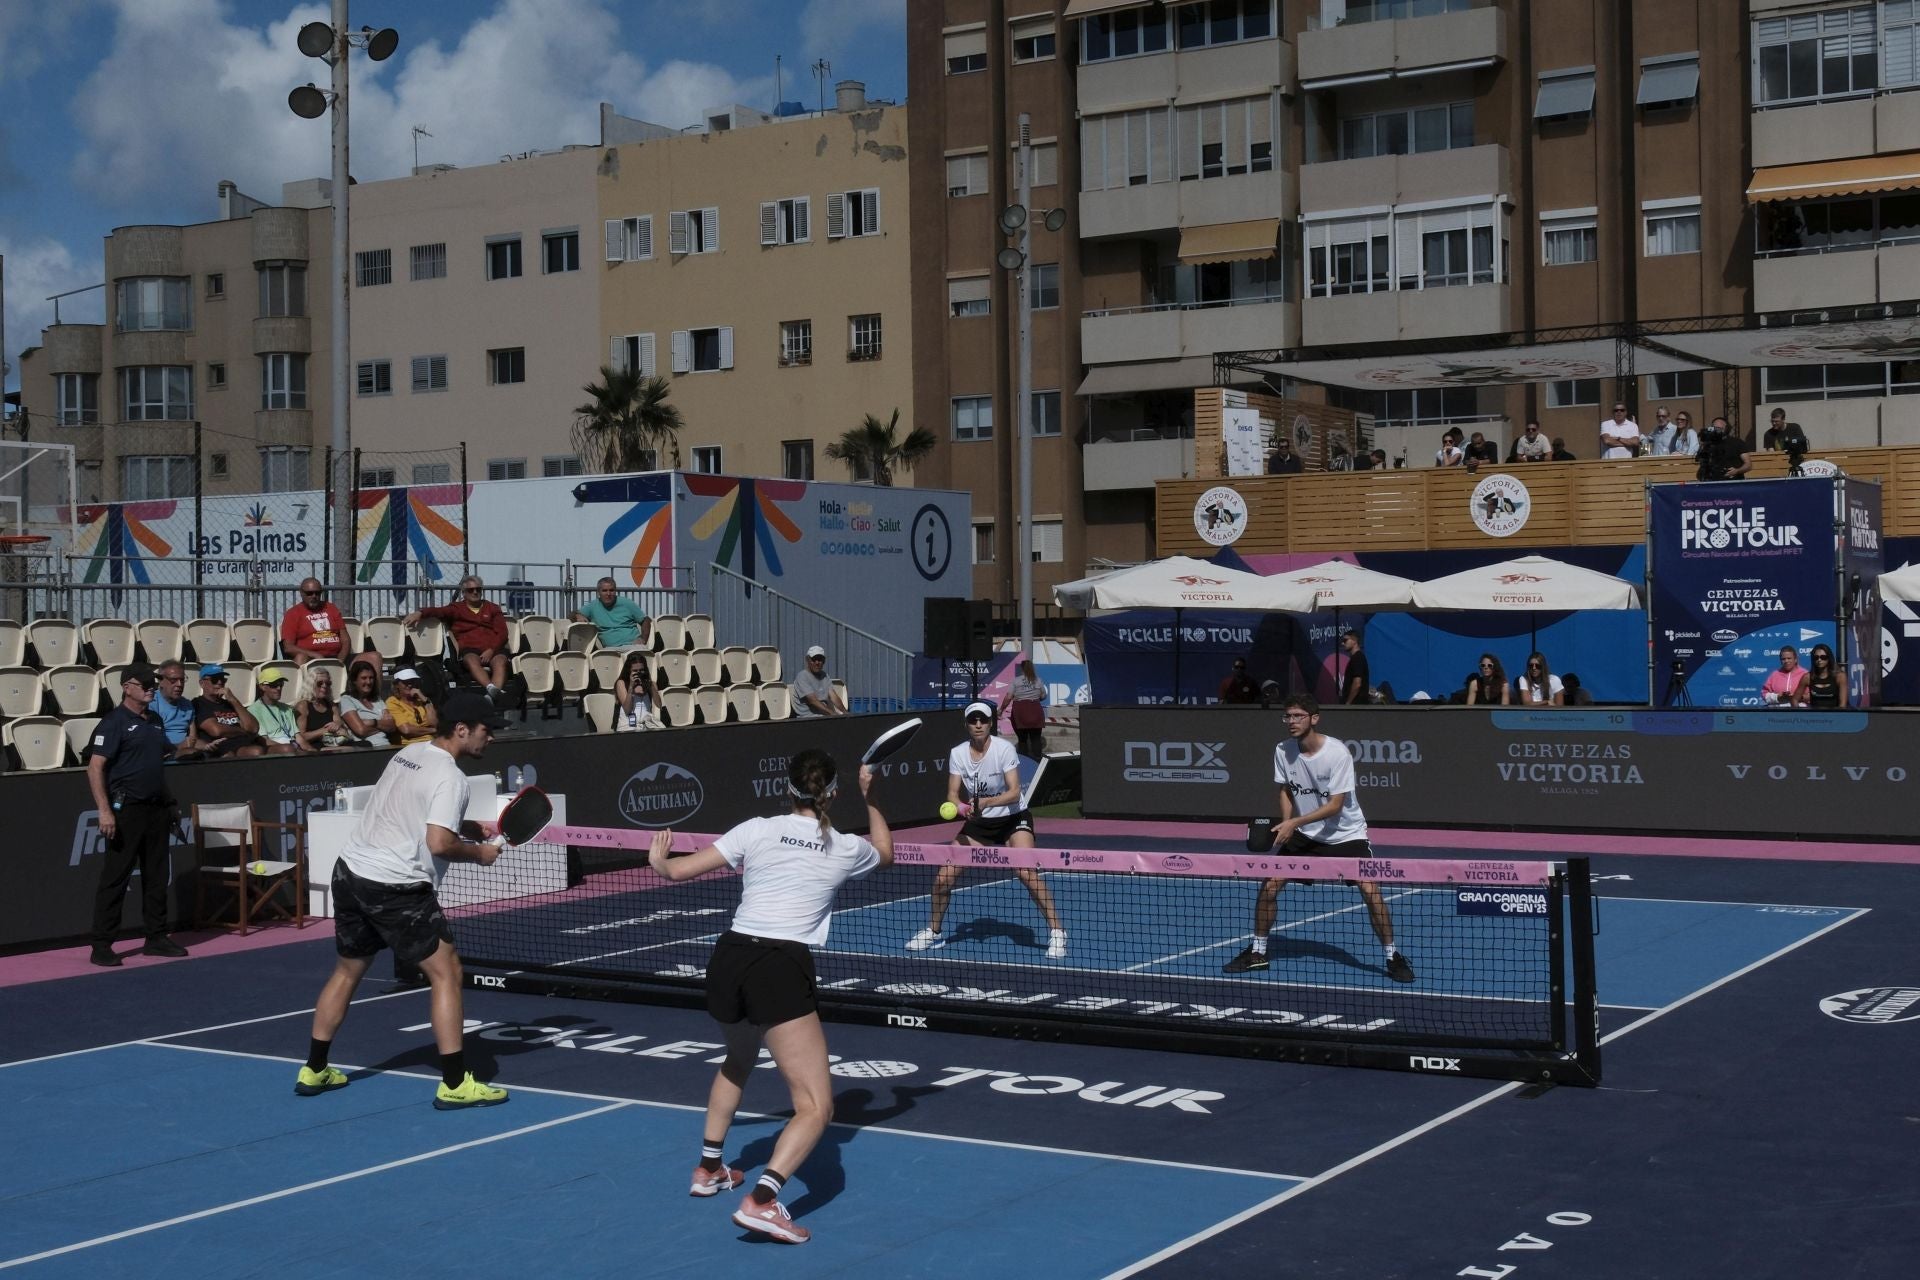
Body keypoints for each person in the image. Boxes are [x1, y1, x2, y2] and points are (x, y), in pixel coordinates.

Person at [646, 748, 892, 1245]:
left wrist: (657, 860)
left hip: (729, 959)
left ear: (787, 789)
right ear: (833, 793)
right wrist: (873, 798)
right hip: (779, 968)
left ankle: (710, 1169)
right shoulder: (844, 847)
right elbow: (886, 853)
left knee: (738, 1059)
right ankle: (761, 1201)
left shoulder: (755, 828)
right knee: (817, 1108)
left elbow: (674, 872)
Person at [294, 691, 512, 1110]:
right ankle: (453, 1083)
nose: (492, 738)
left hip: (352, 871)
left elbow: (408, 810)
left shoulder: (408, 754)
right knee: (447, 973)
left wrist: (464, 824)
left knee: (346, 971)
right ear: (462, 730)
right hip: (395, 888)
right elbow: (439, 842)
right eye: (487, 730)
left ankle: (315, 1069)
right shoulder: (452, 777)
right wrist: (480, 854)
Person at [1222, 695, 1414, 983]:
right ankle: (1258, 953)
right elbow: (1286, 790)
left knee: (1370, 891)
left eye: (1298, 715)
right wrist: (1287, 822)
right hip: (1305, 834)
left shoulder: (1337, 753)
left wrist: (1294, 822)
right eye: (1287, 716)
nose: (1291, 721)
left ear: (1314, 718)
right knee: (1270, 888)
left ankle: (1392, 956)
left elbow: (1335, 805)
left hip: (1347, 835)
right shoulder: (1282, 750)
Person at [907, 700, 1067, 959]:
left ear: (991, 724)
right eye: (973, 720)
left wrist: (985, 803)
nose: (978, 724)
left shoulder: (1003, 749)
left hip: (1013, 818)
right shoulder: (958, 753)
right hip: (979, 823)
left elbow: (1014, 792)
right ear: (967, 724)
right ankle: (933, 931)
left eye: (983, 720)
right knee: (943, 878)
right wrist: (959, 807)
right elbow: (951, 794)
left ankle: (1057, 932)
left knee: (1026, 872)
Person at [86, 663, 188, 967]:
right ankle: (102, 944)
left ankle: (156, 937)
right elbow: (95, 767)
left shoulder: (155, 720)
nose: (150, 688)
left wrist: (169, 802)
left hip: (157, 809)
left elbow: (158, 764)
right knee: (115, 878)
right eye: (143, 683)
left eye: (152, 684)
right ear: (126, 687)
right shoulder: (113, 722)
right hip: (126, 809)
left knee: (157, 877)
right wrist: (104, 811)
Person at [404, 576, 510, 700]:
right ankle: (491, 689)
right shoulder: (457, 609)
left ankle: (491, 698)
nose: (475, 592)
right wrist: (420, 613)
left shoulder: (493, 608)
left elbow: (503, 633)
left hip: (493, 647)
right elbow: (439, 611)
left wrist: (491, 650)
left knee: (500, 662)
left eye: (478, 589)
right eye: (470, 590)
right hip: (471, 648)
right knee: (471, 660)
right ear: (464, 593)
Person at [193, 664, 265, 758]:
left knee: (285, 749)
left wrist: (233, 699)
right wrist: (243, 731)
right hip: (223, 748)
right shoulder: (198, 704)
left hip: (246, 743)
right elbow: (216, 730)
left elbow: (253, 728)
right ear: (202, 683)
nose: (219, 683)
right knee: (256, 751)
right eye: (214, 679)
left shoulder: (231, 703)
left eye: (222, 679)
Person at [569, 576, 651, 650]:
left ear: (615, 591)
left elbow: (645, 620)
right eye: (604, 591)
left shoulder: (627, 603)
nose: (608, 594)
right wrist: (577, 615)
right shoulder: (592, 606)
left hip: (633, 646)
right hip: (610, 649)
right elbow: (570, 615)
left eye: (611, 590)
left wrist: (643, 638)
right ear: (598, 593)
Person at [281, 577, 348, 665]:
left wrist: (340, 661)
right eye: (309, 593)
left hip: (336, 656)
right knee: (301, 658)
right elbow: (288, 647)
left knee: (371, 656)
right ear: (301, 593)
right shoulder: (293, 613)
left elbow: (346, 640)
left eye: (317, 593)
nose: (314, 596)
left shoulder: (331, 608)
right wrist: (314, 655)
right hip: (311, 658)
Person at [150, 660, 208, 760]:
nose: (179, 684)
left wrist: (208, 746)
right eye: (173, 680)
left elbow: (193, 736)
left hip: (187, 750)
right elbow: (152, 740)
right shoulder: (152, 703)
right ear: (160, 681)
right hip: (164, 753)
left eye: (182, 680)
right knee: (193, 754)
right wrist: (179, 746)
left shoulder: (187, 704)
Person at [247, 666, 305, 754]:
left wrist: (312, 751)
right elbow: (264, 740)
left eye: (281, 684)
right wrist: (293, 749)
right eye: (274, 685)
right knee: (288, 749)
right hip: (274, 749)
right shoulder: (253, 710)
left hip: (292, 746)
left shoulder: (287, 708)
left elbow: (299, 738)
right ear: (263, 686)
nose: (279, 688)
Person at [1000, 656, 1048, 757]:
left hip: (1020, 711)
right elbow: (1043, 695)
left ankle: (1024, 763)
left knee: (1022, 740)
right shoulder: (1038, 680)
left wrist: (1001, 709)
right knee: (1036, 739)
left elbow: (1008, 697)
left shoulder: (1016, 681)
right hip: (1035, 709)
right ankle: (1038, 762)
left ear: (1022, 669)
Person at [295, 667, 352, 750]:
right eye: (320, 683)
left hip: (334, 743)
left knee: (365, 745)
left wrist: (338, 725)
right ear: (311, 684)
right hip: (315, 747)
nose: (324, 686)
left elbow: (338, 722)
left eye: (328, 683)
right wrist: (323, 731)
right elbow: (301, 736)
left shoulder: (331, 705)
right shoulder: (303, 706)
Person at [339, 661, 391, 748]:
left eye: (371, 678)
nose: (368, 682)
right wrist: (382, 725)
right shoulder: (347, 700)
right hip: (366, 749)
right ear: (354, 680)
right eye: (364, 678)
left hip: (386, 745)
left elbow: (392, 727)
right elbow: (361, 730)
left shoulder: (377, 699)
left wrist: (372, 722)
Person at [382, 668, 439, 744]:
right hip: (409, 745)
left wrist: (425, 700)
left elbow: (435, 723)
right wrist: (433, 730)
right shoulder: (393, 702)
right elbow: (407, 730)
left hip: (431, 742)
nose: (410, 685)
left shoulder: (423, 700)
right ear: (396, 685)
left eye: (412, 681)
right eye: (405, 682)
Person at [790, 645, 845, 717]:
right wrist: (832, 714)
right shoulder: (802, 676)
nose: (817, 662)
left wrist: (845, 712)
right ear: (807, 660)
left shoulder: (825, 676)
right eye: (814, 659)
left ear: (824, 661)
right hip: (808, 718)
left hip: (824, 716)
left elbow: (833, 696)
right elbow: (813, 701)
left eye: (820, 659)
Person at [614, 650, 664, 730]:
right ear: (629, 670)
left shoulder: (651, 684)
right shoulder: (622, 683)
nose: (638, 673)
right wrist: (631, 687)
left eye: (641, 670)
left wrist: (650, 685)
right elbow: (627, 710)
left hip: (647, 724)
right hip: (627, 725)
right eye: (635, 671)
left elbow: (659, 705)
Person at [1803, 643, 1847, 709]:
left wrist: (1838, 717)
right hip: (1814, 717)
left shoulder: (1840, 676)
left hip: (1834, 717)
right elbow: (1794, 699)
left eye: (1823, 657)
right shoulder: (1808, 677)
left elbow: (1843, 705)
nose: (1819, 660)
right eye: (1816, 657)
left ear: (1829, 658)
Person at [1338, 630, 1370, 705]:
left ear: (1354, 641)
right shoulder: (1356, 658)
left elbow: (1357, 683)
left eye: (1345, 640)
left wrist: (1348, 702)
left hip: (1356, 706)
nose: (1343, 643)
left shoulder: (1357, 658)